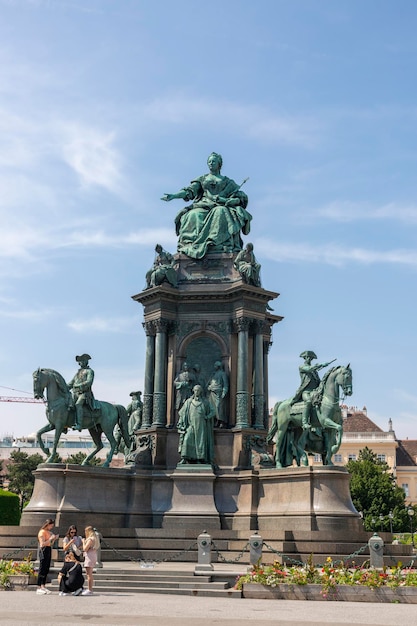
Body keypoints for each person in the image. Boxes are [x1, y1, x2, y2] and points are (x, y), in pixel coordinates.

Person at [161, 152, 252, 259]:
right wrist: (173, 196)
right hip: (202, 206)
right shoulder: (202, 179)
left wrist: (228, 200)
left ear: (219, 164)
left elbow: (241, 197)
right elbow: (189, 191)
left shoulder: (228, 182)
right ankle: (192, 245)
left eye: (213, 161)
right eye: (209, 161)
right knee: (192, 215)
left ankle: (216, 244)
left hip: (220, 206)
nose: (211, 163)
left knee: (220, 212)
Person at [290, 351, 335, 430]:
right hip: (306, 391)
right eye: (308, 358)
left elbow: (319, 381)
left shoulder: (315, 372)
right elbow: (309, 369)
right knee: (308, 401)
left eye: (311, 358)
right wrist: (321, 365)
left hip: (314, 391)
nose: (309, 359)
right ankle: (304, 423)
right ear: (305, 358)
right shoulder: (302, 367)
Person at [177, 385, 215, 465]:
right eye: (195, 390)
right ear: (193, 391)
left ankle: (200, 459)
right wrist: (181, 422)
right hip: (190, 425)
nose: (196, 392)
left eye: (198, 390)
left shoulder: (205, 402)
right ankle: (185, 458)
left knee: (200, 442)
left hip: (201, 426)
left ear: (200, 392)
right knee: (187, 439)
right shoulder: (188, 402)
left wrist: (207, 416)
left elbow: (213, 411)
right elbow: (182, 412)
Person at [67, 354, 95, 431]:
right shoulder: (77, 373)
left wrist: (78, 385)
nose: (80, 363)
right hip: (75, 394)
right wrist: (63, 387)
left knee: (78, 404)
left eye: (82, 361)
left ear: (86, 361)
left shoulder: (90, 371)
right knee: (67, 405)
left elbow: (89, 382)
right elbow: (71, 383)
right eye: (80, 361)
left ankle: (79, 424)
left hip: (85, 394)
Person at [36, 518, 59, 595]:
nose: (51, 528)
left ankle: (43, 586)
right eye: (51, 526)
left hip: (48, 549)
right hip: (44, 550)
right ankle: (39, 586)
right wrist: (50, 539)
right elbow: (42, 544)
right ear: (47, 525)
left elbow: (50, 543)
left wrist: (54, 539)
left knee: (46, 568)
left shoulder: (48, 532)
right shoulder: (42, 532)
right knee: (42, 568)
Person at [207, 361, 229, 428]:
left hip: (219, 393)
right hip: (212, 393)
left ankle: (221, 421)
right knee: (212, 407)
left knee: (219, 407)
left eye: (215, 365)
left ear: (218, 366)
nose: (214, 367)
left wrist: (224, 392)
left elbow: (225, 384)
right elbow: (209, 382)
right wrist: (209, 387)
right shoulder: (213, 374)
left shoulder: (223, 374)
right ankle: (215, 421)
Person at [82, 526, 100, 595]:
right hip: (93, 555)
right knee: (90, 573)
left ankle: (90, 589)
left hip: (89, 556)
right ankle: (90, 589)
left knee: (89, 574)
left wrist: (83, 542)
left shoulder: (90, 539)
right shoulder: (95, 538)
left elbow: (85, 549)